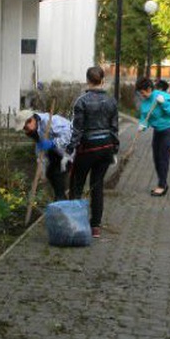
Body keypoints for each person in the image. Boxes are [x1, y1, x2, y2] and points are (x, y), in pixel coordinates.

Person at [65, 66, 119, 238]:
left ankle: (75, 223)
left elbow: (77, 129)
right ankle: (95, 226)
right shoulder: (112, 101)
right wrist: (114, 149)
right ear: (103, 80)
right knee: (97, 186)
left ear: (87, 80)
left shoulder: (81, 101)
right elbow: (114, 128)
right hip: (106, 149)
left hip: (88, 148)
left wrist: (70, 149)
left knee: (77, 185)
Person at [135, 77, 170, 197]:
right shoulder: (145, 103)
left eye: (142, 92)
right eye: (140, 93)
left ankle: (162, 185)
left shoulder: (162, 96)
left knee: (163, 157)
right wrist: (142, 125)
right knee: (156, 157)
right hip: (158, 132)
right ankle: (162, 182)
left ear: (149, 89)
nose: (141, 95)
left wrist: (164, 103)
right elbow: (145, 117)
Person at [22, 112, 72, 201]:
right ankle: (60, 198)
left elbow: (69, 135)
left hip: (71, 151)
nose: (26, 132)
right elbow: (40, 151)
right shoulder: (35, 131)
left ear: (31, 121)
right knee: (50, 173)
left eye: (25, 128)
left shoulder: (51, 121)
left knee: (58, 174)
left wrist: (53, 143)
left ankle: (61, 199)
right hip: (57, 153)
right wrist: (42, 169)